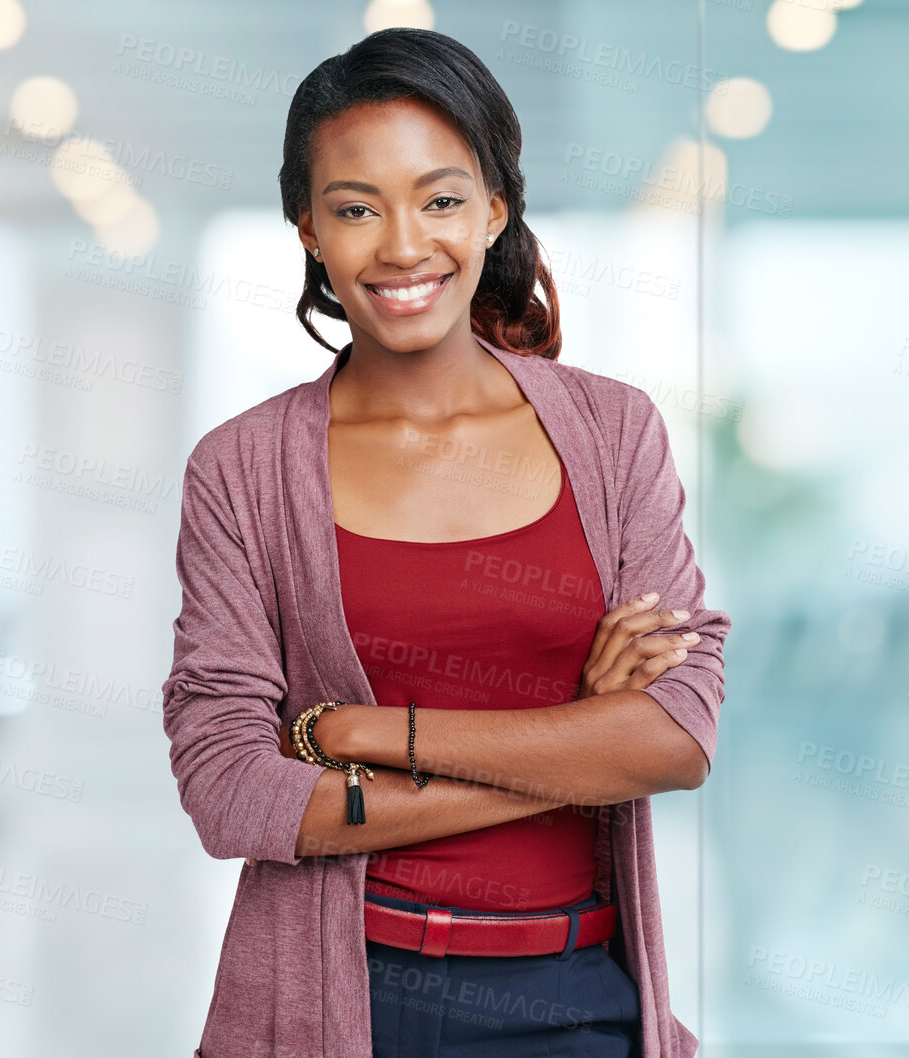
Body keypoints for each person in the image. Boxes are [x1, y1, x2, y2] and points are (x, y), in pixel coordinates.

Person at [160, 27, 731, 1058]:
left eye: (439, 199)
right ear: (307, 230)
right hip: (333, 1001)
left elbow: (673, 738)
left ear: (494, 210)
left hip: (576, 1001)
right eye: (353, 208)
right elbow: (231, 790)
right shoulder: (241, 469)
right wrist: (575, 737)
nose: (401, 244)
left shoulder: (613, 433)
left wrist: (366, 732)